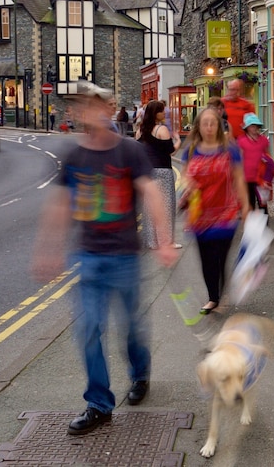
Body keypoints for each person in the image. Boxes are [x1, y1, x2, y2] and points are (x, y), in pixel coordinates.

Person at [30, 81, 179, 436]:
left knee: (131, 328)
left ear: (109, 110)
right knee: (88, 330)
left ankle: (140, 374)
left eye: (98, 105)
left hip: (125, 256)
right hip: (89, 257)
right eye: (85, 106)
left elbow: (152, 194)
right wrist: (47, 249)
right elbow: (60, 204)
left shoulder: (129, 151)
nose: (91, 112)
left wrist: (164, 241)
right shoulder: (75, 156)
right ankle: (99, 403)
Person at [179, 106, 251, 314]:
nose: (209, 127)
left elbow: (239, 179)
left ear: (218, 126)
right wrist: (188, 183)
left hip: (226, 213)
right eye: (205, 123)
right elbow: (184, 174)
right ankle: (213, 298)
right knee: (206, 258)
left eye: (213, 123)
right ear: (199, 127)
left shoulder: (230, 149)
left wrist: (246, 206)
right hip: (199, 214)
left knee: (220, 256)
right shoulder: (191, 149)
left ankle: (220, 292)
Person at [137, 100, 182, 250]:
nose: (165, 112)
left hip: (147, 172)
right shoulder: (161, 130)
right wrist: (178, 142)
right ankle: (166, 241)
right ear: (156, 113)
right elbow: (170, 151)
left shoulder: (140, 130)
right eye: (162, 110)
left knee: (149, 207)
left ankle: (151, 241)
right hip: (163, 171)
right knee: (167, 207)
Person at [236, 112, 273, 213]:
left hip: (260, 178)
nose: (254, 128)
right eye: (252, 126)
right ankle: (251, 227)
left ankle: (264, 227)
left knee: (263, 205)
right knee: (250, 204)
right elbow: (239, 159)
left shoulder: (264, 140)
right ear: (247, 128)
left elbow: (268, 157)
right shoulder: (241, 141)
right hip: (247, 177)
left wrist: (268, 175)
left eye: (256, 126)